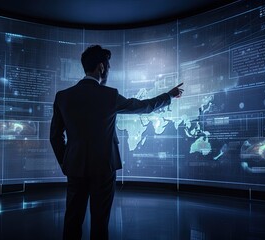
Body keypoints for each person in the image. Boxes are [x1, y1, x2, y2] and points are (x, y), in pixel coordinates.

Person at [50, 45, 183, 240]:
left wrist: (66, 162)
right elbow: (143, 107)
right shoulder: (109, 95)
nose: (108, 70)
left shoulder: (63, 97)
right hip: (104, 168)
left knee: (72, 220)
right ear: (101, 68)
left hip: (75, 168)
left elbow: (55, 136)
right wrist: (169, 96)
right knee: (100, 223)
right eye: (108, 67)